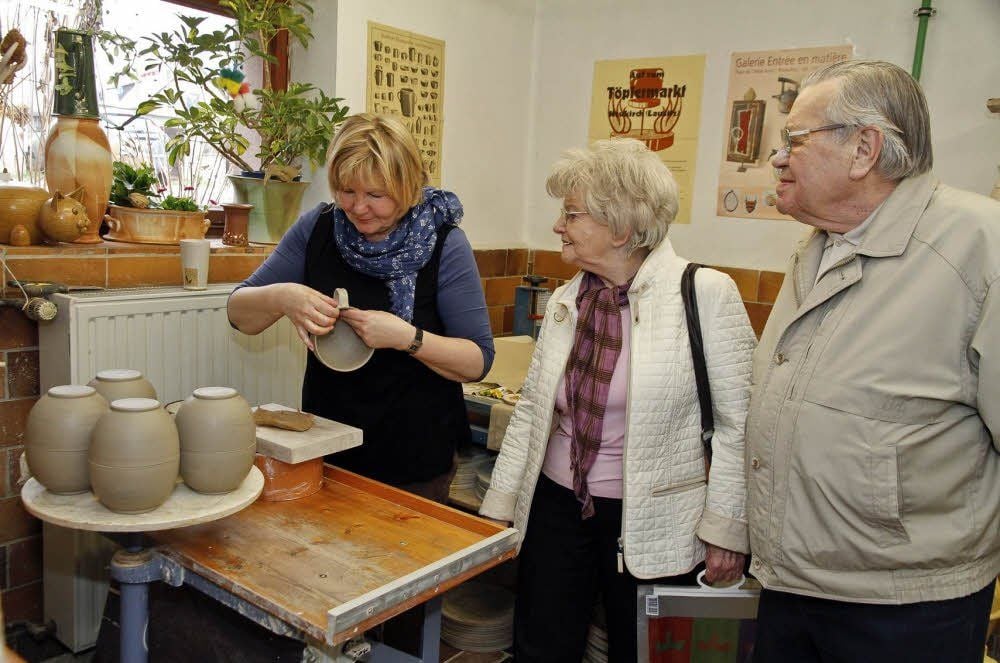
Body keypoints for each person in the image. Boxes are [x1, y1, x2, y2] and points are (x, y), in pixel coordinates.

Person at [748, 59, 1000, 662]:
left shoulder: (978, 247)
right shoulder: (818, 246)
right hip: (790, 583)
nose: (777, 158)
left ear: (864, 148)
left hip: (907, 610)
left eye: (793, 140)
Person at [479, 138, 756, 662]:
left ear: (622, 227)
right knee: (541, 648)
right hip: (558, 507)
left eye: (572, 214)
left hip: (657, 517)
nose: (559, 226)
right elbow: (534, 416)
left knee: (643, 652)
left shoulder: (704, 294)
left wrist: (727, 531)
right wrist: (499, 509)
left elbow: (739, 427)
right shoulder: (567, 299)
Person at [228, 113, 494, 502]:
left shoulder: (444, 244)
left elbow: (477, 360)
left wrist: (407, 338)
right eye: (347, 191)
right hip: (328, 444)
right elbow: (238, 313)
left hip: (415, 455)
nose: (358, 207)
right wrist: (284, 297)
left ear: (407, 187)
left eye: (376, 195)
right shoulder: (318, 228)